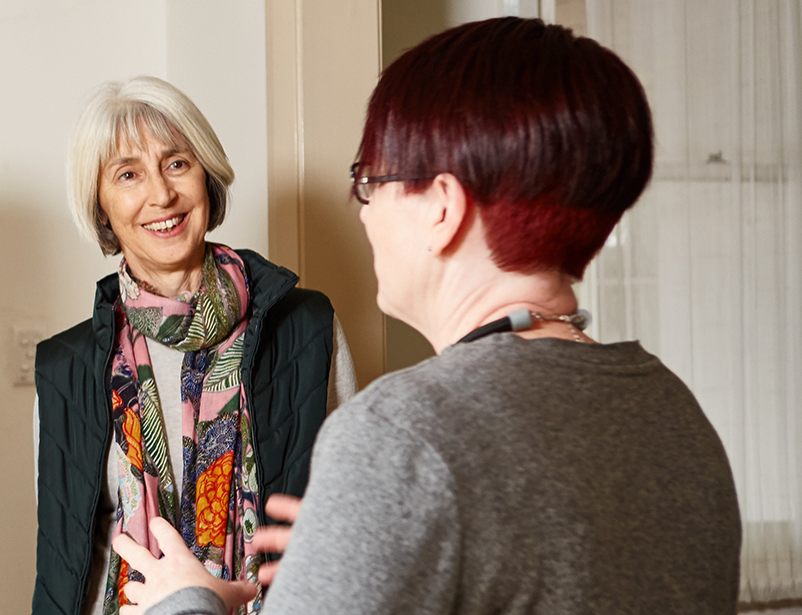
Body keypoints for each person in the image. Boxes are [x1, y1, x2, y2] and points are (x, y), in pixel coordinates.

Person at [116, 17, 742, 615]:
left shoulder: (400, 436)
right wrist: (378, 536)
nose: (363, 211)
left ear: (442, 207)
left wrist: (186, 600)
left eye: (371, 179)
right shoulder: (673, 411)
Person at [32, 76, 356, 615]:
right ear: (101, 207)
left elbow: (351, 521)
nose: (162, 195)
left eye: (177, 163)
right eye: (128, 174)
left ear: (207, 177)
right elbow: (63, 567)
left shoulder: (306, 327)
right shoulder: (66, 367)